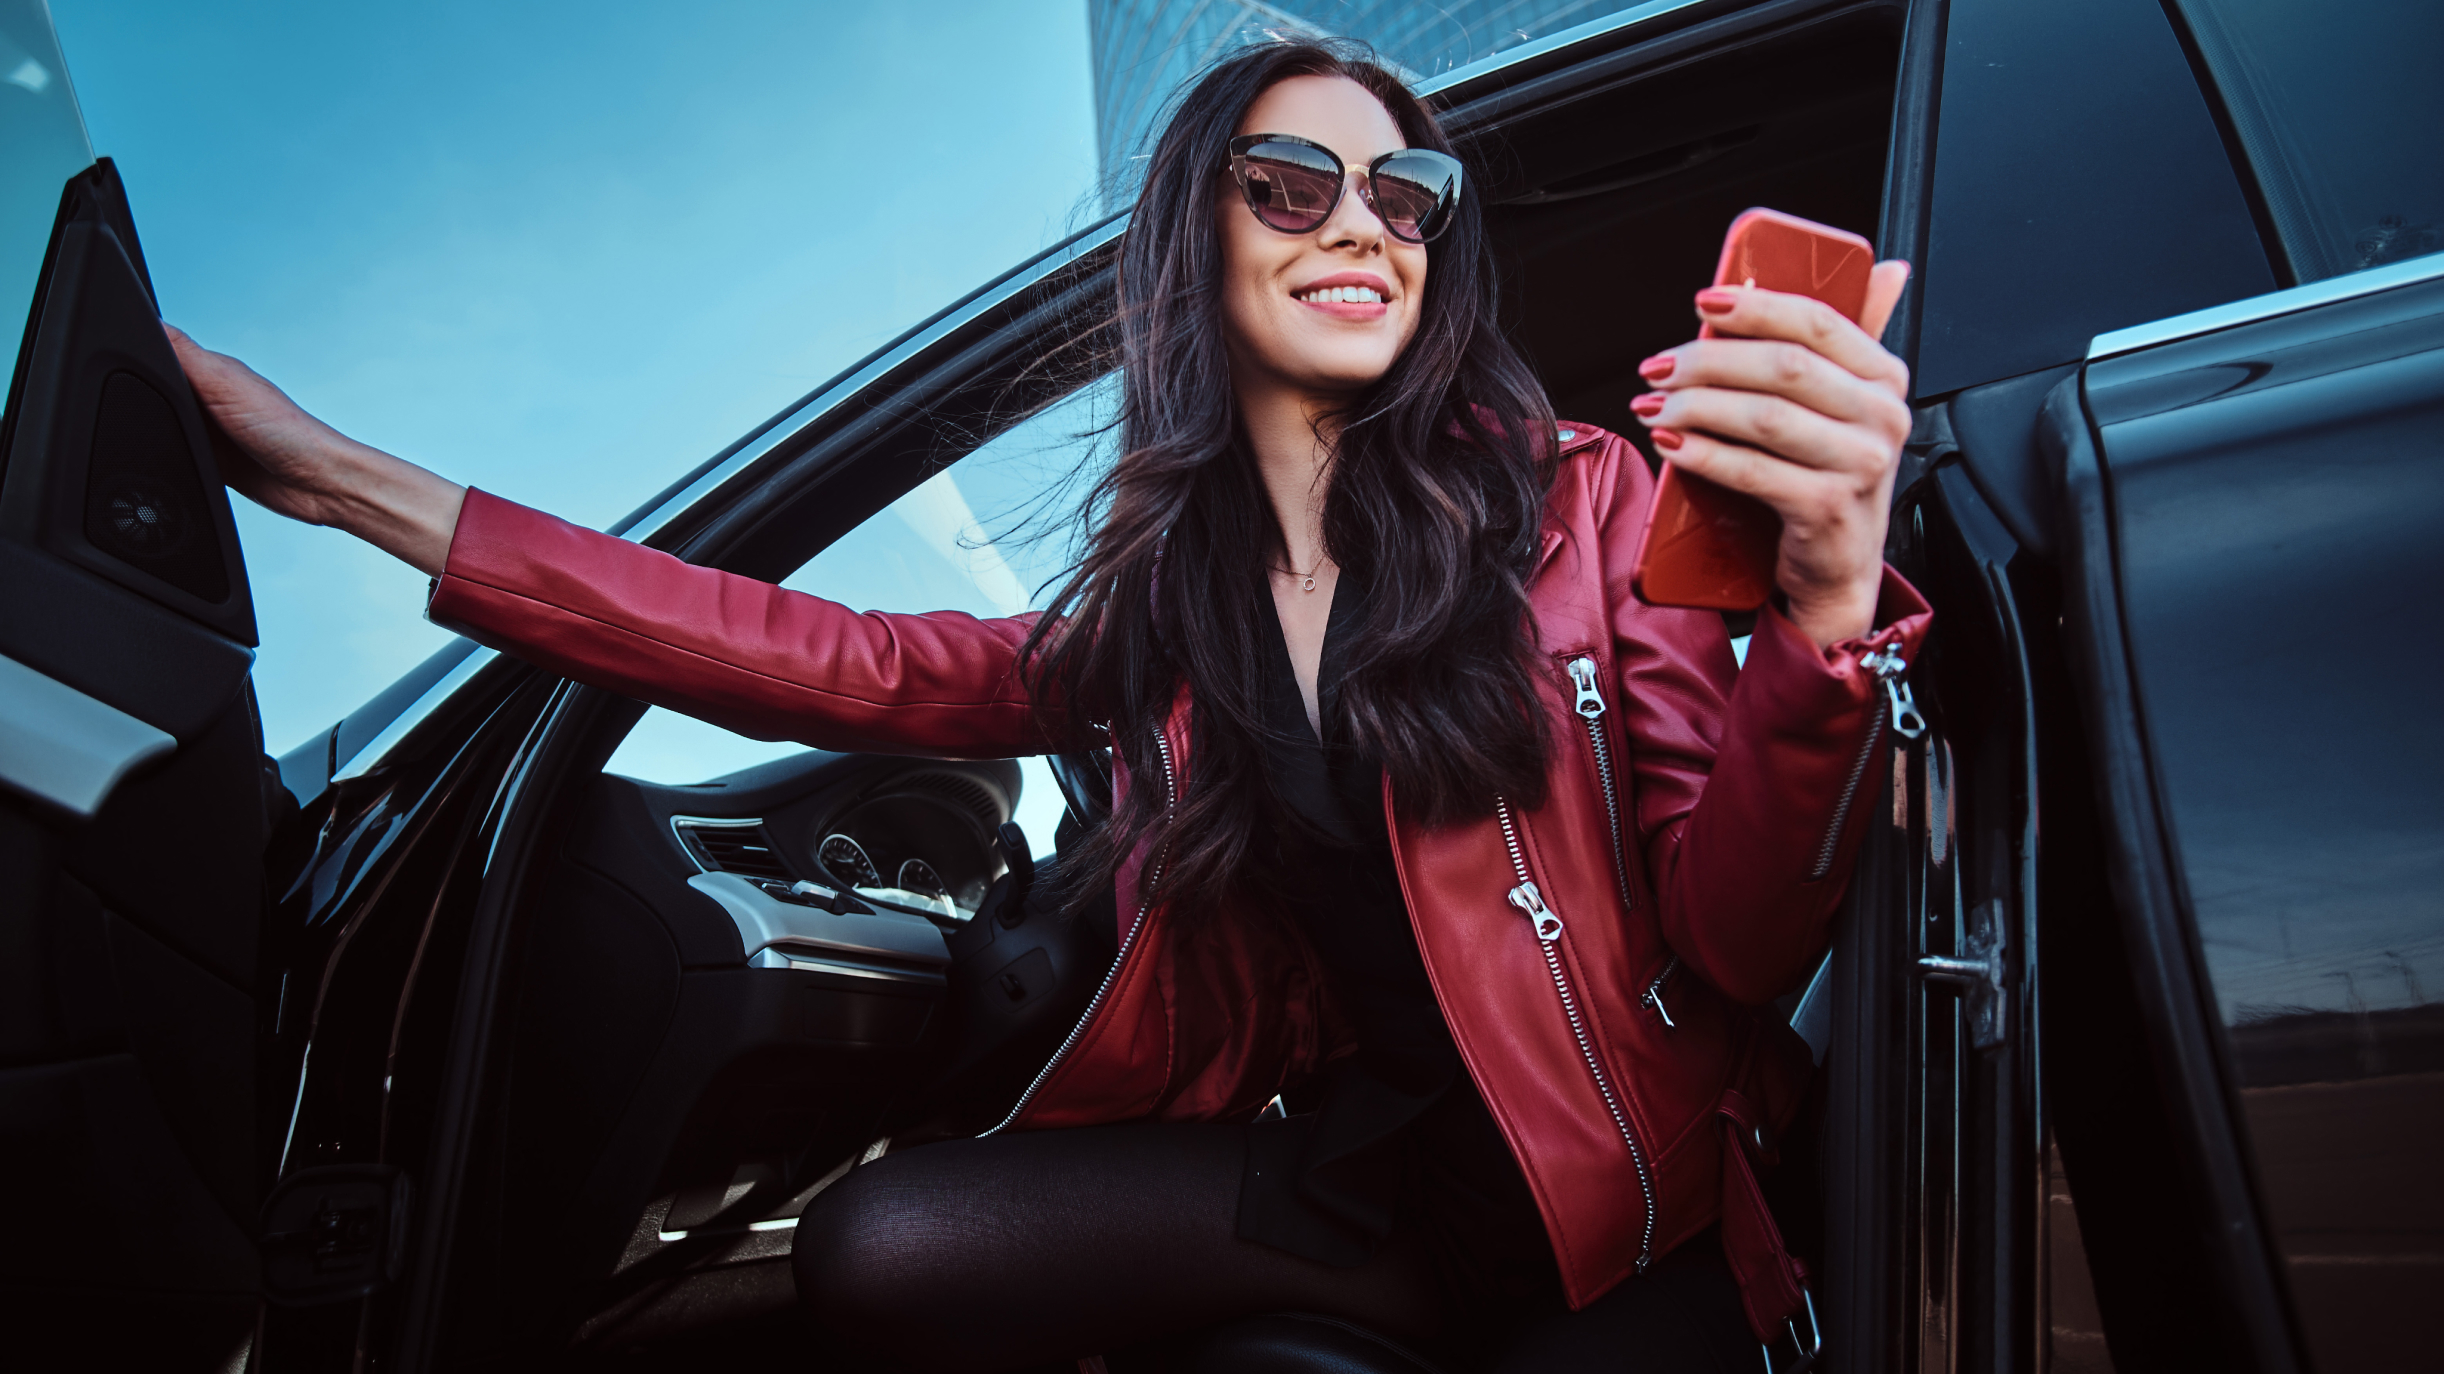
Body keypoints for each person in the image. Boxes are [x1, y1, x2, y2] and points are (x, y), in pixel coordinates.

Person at [173, 40, 1925, 1372]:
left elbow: (1742, 939)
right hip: (1378, 1194)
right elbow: (806, 651)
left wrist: (1827, 609)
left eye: (1408, 198)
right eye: (1295, 181)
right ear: (1199, 232)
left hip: (1635, 1226)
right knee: (879, 1245)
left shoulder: (1584, 502)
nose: (1366, 228)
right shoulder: (1166, 623)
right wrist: (338, 481)